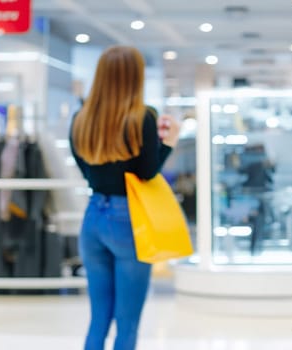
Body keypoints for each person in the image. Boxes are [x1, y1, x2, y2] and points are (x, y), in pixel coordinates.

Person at [70, 46, 180, 350]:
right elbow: (147, 172)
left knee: (98, 319)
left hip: (93, 216)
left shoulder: (82, 119)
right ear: (136, 77)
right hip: (128, 220)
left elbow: (86, 170)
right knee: (127, 323)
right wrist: (166, 144)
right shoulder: (143, 117)